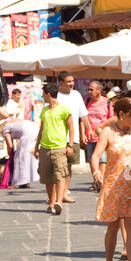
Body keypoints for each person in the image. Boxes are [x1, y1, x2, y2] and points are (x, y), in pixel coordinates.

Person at [91, 96, 131, 261]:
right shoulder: (108, 133)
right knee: (112, 227)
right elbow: (96, 155)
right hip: (113, 185)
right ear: (121, 114)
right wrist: (96, 172)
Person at [34, 82, 75, 214]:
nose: (42, 96)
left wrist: (70, 145)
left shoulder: (64, 109)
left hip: (59, 148)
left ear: (49, 94)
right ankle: (51, 202)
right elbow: (41, 128)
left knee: (59, 175)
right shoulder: (45, 110)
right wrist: (36, 146)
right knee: (46, 177)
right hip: (45, 148)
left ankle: (59, 202)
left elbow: (71, 127)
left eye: (43, 93)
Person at [57, 73, 90, 190]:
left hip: (73, 137)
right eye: (68, 81)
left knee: (69, 166)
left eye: (72, 81)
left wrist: (89, 129)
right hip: (57, 137)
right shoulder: (55, 96)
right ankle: (56, 193)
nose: (72, 84)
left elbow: (83, 114)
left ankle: (64, 191)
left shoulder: (76, 95)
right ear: (61, 83)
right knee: (58, 167)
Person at [84, 81, 112, 169]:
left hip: (102, 136)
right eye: (88, 89)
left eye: (91, 90)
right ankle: (96, 180)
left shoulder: (107, 102)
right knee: (91, 159)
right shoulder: (87, 101)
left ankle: (101, 181)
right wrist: (82, 134)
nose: (89, 92)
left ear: (98, 91)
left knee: (102, 159)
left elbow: (111, 120)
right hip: (89, 136)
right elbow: (83, 118)